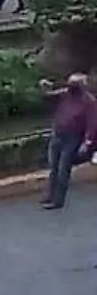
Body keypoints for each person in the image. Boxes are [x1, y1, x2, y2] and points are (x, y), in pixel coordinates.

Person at [39, 74, 97, 210]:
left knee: (63, 169)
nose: (72, 86)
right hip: (58, 134)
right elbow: (47, 96)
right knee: (53, 167)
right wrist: (44, 86)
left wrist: (86, 142)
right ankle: (50, 195)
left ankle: (58, 200)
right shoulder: (65, 94)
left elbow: (92, 123)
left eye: (75, 84)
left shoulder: (89, 101)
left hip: (72, 138)